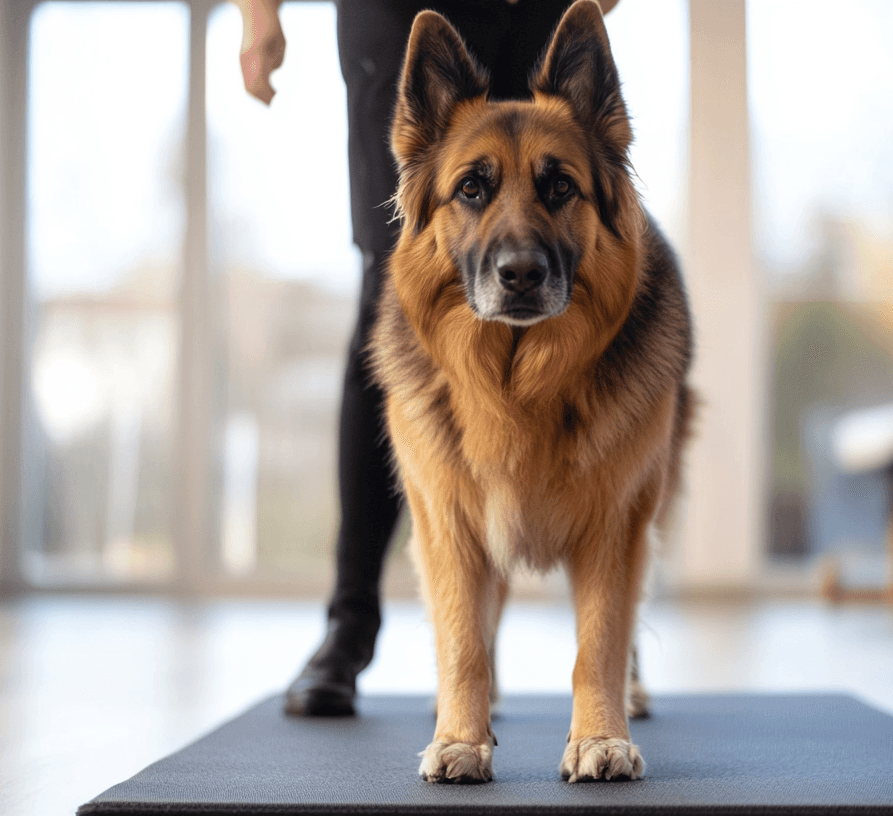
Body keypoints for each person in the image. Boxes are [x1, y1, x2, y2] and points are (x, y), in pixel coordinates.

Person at [234, 0, 618, 716]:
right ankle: (349, 630)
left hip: (535, 11)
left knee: (569, 283)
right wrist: (259, 13)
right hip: (394, 14)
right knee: (395, 295)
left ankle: (596, 648)